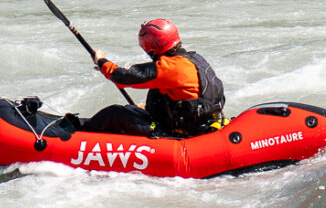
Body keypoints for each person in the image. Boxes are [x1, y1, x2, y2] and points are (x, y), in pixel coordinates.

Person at [83, 18, 226, 137]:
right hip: (202, 126)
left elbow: (124, 77)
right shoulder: (193, 59)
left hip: (175, 134)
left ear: (153, 46)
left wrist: (101, 61)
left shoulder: (169, 67)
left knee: (114, 113)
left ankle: (77, 134)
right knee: (135, 107)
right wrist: (146, 109)